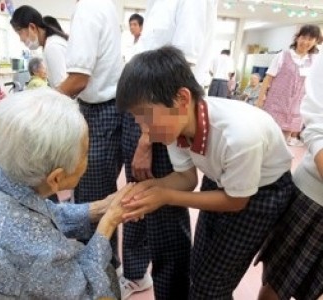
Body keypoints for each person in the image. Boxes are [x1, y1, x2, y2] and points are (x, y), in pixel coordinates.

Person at [116, 46, 294, 299]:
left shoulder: (238, 136)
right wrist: (149, 189)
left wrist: (165, 196)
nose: (143, 127)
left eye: (146, 117)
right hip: (221, 179)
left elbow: (236, 201)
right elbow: (186, 179)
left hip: (262, 195)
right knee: (200, 269)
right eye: (136, 118)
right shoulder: (174, 125)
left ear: (182, 98)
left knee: (212, 284)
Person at [0, 88, 134, 299]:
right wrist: (109, 222)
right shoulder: (31, 249)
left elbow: (38, 215)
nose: (88, 156)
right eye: (85, 152)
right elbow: (85, 288)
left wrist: (100, 208)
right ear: (56, 178)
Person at [119, 1, 218, 299]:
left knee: (166, 222)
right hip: (149, 113)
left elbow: (176, 76)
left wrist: (146, 138)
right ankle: (136, 274)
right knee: (139, 202)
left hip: (160, 116)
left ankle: (170, 291)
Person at [57, 0, 123, 266]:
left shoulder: (90, 7)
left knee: (93, 199)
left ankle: (101, 270)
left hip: (100, 110)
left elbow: (78, 80)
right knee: (91, 195)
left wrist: (38, 106)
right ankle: (100, 266)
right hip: (101, 109)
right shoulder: (103, 6)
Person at [256, 52, 323, 300]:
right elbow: (316, 121)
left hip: (290, 119)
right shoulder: (285, 57)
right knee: (278, 281)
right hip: (314, 192)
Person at [256, 24, 322, 146]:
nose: (306, 42)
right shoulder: (283, 56)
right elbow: (268, 78)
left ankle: (276, 164)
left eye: (310, 39)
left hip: (295, 110)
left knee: (283, 143)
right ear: (297, 38)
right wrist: (260, 100)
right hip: (275, 106)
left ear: (315, 42)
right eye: (304, 37)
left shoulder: (314, 61)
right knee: (267, 138)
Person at [11, 5, 68, 88]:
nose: (21, 39)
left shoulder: (52, 47)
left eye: (20, 33)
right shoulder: (49, 44)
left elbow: (63, 88)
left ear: (32, 27)